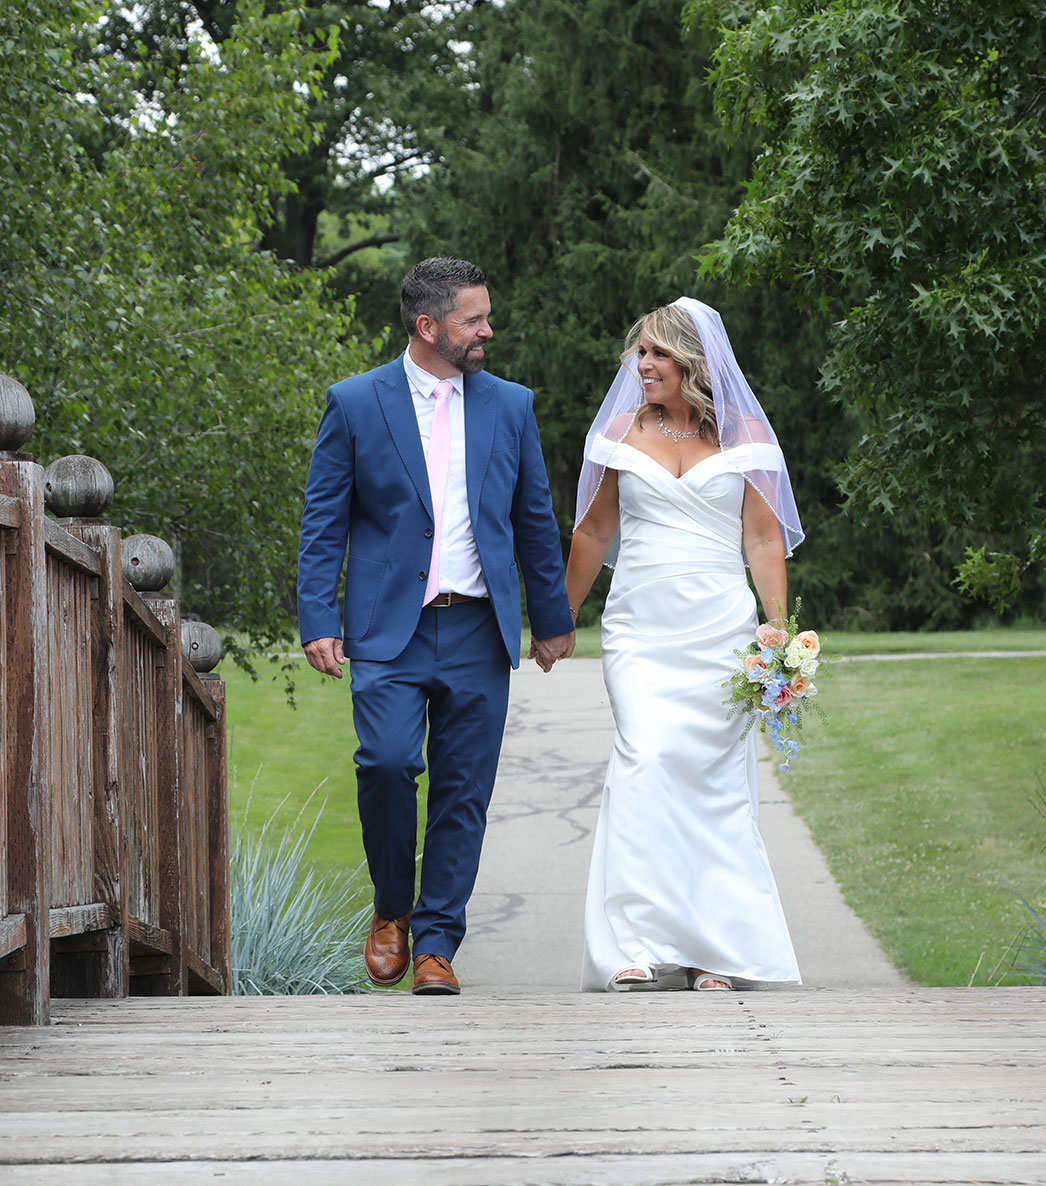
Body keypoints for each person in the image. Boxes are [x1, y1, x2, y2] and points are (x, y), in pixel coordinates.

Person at [297, 258, 576, 996]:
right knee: (386, 764)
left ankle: (437, 944)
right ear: (429, 327)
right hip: (389, 629)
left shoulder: (511, 406)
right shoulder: (356, 403)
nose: (488, 330)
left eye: (486, 316)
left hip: (479, 629)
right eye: (473, 319)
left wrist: (551, 619)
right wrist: (319, 615)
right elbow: (323, 521)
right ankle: (392, 910)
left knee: (462, 790)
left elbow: (534, 519)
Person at [561, 297, 804, 992]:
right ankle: (634, 945)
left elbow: (761, 537)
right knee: (646, 761)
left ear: (692, 361)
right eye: (639, 353)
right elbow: (593, 533)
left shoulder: (744, 433)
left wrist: (778, 632)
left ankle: (713, 951)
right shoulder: (618, 432)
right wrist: (560, 618)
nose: (642, 365)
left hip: (720, 632)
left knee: (714, 784)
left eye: (657, 354)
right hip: (640, 629)